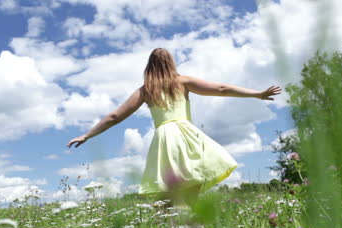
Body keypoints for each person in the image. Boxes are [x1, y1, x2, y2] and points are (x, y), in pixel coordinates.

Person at [67, 48, 281, 208]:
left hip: (165, 142)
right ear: (171, 63)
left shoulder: (145, 90)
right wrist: (257, 93)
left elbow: (114, 117)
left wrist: (87, 135)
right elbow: (222, 89)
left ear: (149, 67)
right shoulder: (182, 81)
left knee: (167, 202)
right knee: (190, 198)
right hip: (187, 136)